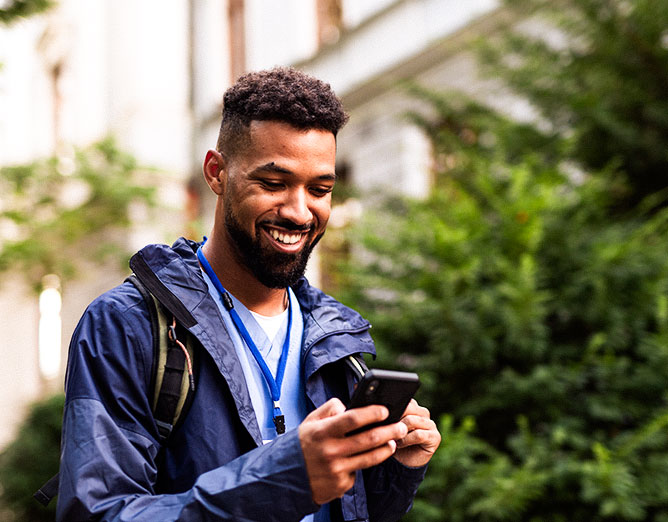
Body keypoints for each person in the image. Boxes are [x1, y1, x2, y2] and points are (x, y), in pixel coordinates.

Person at [57, 67, 441, 522]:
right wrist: (283, 480)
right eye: (273, 183)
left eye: (320, 189)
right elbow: (98, 513)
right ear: (217, 173)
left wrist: (395, 469)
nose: (300, 212)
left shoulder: (336, 338)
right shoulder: (127, 326)